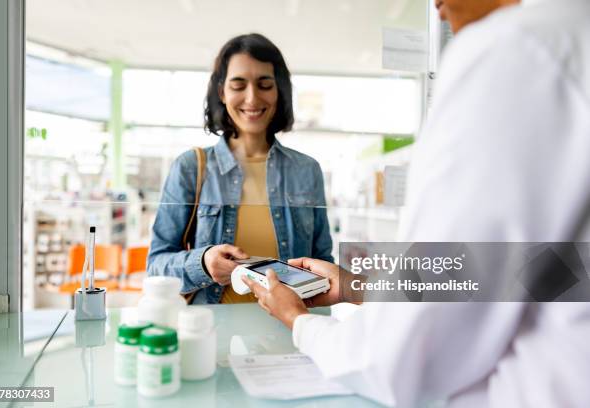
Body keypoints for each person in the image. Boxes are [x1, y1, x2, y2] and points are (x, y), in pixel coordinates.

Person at [243, 0, 590, 406]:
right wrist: (356, 287)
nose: (437, 8)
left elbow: (403, 359)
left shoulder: (516, 49)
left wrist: (299, 322)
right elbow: (540, 272)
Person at [147, 33, 333, 304]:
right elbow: (155, 266)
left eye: (265, 84)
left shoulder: (306, 170)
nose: (252, 97)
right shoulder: (190, 167)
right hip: (214, 334)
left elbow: (323, 262)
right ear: (222, 92)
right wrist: (203, 262)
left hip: (289, 332)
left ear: (279, 90)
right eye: (238, 85)